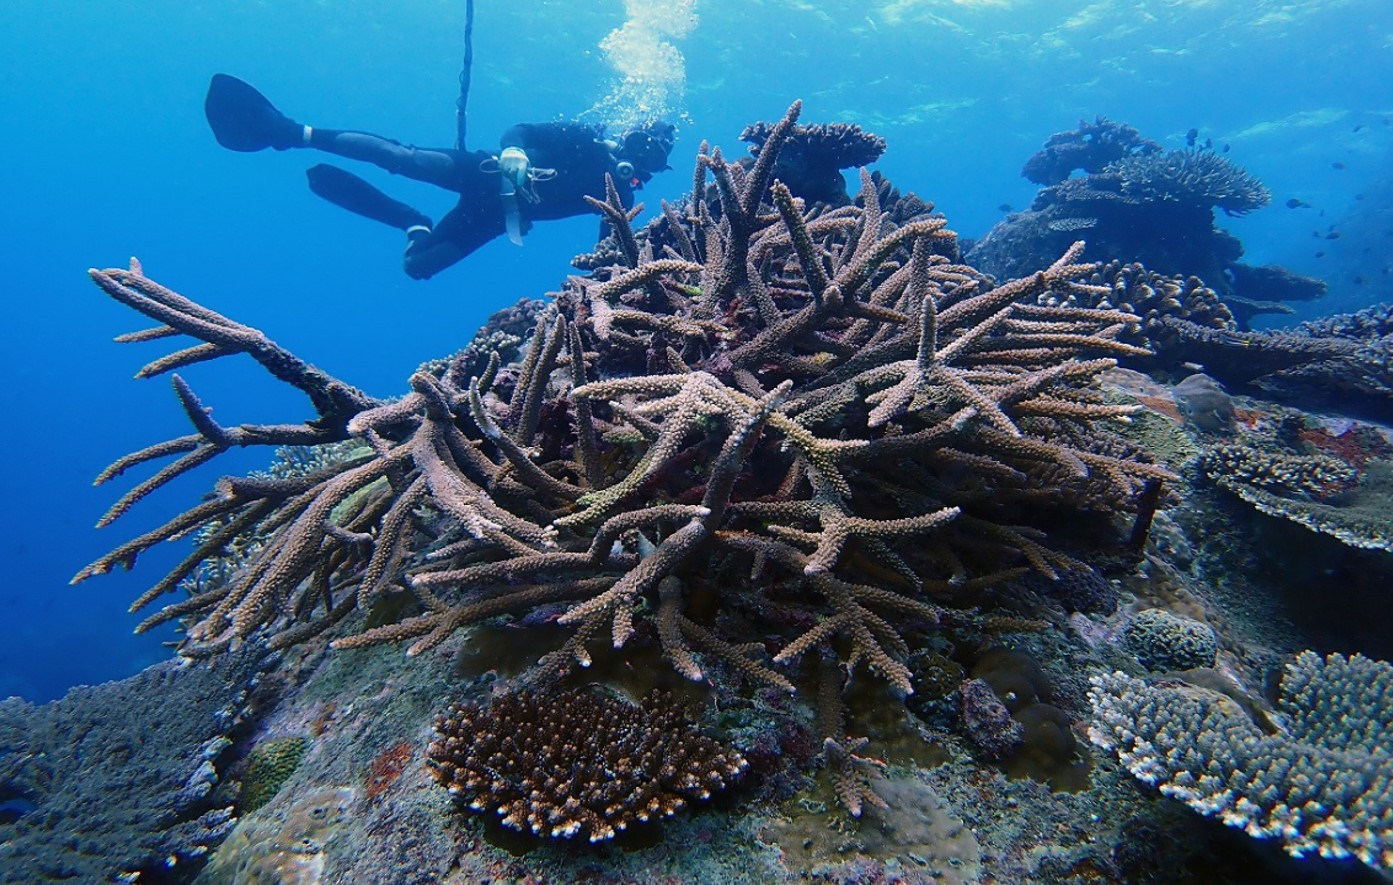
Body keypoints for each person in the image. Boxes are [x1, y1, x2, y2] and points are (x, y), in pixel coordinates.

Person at [203, 74, 676, 280]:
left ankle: (410, 221)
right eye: (645, 146)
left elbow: (611, 247)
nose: (645, 161)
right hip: (485, 172)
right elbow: (524, 129)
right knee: (402, 159)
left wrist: (608, 272)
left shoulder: (624, 192)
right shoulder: (588, 138)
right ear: (631, 133)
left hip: (496, 219)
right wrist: (514, 150)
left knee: (418, 268)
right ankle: (289, 131)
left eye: (656, 160)